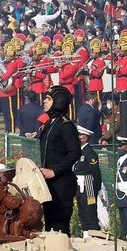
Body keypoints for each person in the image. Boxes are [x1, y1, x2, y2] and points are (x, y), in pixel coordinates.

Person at [38, 86, 80, 235]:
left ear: (58, 102)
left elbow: (75, 152)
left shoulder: (65, 125)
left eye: (48, 99)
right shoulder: (50, 123)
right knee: (49, 225)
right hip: (47, 182)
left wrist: (54, 171)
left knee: (60, 226)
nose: (44, 101)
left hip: (61, 183)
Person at [73, 124, 102, 232]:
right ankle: (85, 231)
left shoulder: (90, 153)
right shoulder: (79, 151)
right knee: (81, 209)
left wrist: (96, 188)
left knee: (89, 208)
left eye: (80, 135)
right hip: (79, 184)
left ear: (84, 137)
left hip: (88, 183)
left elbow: (96, 172)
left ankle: (93, 230)